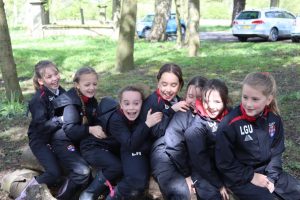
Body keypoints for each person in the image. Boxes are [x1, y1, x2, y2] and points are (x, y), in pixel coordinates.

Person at [215, 72, 300, 200]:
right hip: (241, 177)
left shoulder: (274, 119)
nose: (248, 104)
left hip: (269, 172)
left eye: (255, 99)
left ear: (268, 100)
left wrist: (272, 177)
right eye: (245, 97)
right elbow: (224, 162)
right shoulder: (229, 123)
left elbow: (276, 152)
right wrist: (252, 176)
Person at [52, 67, 106, 200]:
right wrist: (90, 129)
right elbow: (70, 130)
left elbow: (94, 118)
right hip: (64, 141)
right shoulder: (71, 104)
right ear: (77, 85)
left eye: (94, 84)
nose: (91, 88)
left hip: (80, 139)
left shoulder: (90, 99)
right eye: (87, 85)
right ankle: (62, 197)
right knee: (82, 171)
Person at [16, 60, 65, 200]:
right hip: (40, 140)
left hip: (57, 137)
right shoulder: (37, 100)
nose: (55, 78)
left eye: (56, 74)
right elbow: (42, 127)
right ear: (41, 81)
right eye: (49, 77)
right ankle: (25, 193)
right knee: (54, 173)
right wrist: (61, 120)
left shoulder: (61, 91)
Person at [140, 63, 190, 198]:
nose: (168, 89)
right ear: (158, 83)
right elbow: (156, 133)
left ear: (180, 86)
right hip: (159, 153)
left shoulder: (177, 100)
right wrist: (171, 110)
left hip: (178, 150)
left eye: (173, 85)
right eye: (164, 84)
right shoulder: (152, 103)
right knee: (180, 191)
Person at [105, 85, 163, 200]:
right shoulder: (115, 119)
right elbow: (130, 143)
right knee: (137, 181)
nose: (131, 108)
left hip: (142, 147)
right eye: (126, 103)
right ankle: (113, 195)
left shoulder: (144, 113)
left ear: (142, 104)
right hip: (125, 147)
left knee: (142, 183)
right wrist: (147, 124)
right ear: (121, 105)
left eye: (136, 103)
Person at [158, 76, 208, 200]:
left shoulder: (208, 114)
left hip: (182, 157)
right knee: (181, 192)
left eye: (199, 98)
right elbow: (174, 144)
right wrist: (187, 174)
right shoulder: (183, 113)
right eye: (191, 96)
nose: (194, 101)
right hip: (165, 156)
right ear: (186, 95)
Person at [184, 79, 230, 200]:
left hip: (225, 166)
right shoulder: (196, 128)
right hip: (204, 171)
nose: (211, 106)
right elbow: (201, 161)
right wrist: (219, 185)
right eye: (206, 101)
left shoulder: (230, 115)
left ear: (225, 101)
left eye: (217, 101)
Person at [79, 98, 122, 200]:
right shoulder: (115, 115)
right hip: (91, 146)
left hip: (106, 147)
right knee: (115, 166)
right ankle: (88, 194)